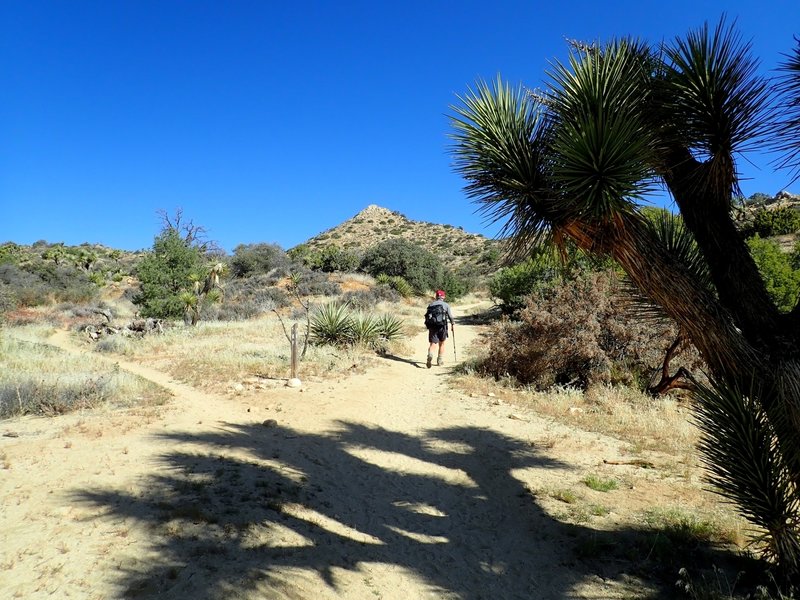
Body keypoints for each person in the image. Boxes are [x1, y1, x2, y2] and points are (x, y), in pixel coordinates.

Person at [424, 290, 454, 368]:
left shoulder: (431, 305)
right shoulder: (446, 305)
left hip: (433, 327)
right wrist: (452, 324)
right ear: (443, 297)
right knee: (442, 343)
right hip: (442, 326)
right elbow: (450, 316)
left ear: (436, 296)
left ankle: (430, 354)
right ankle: (439, 361)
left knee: (433, 344)